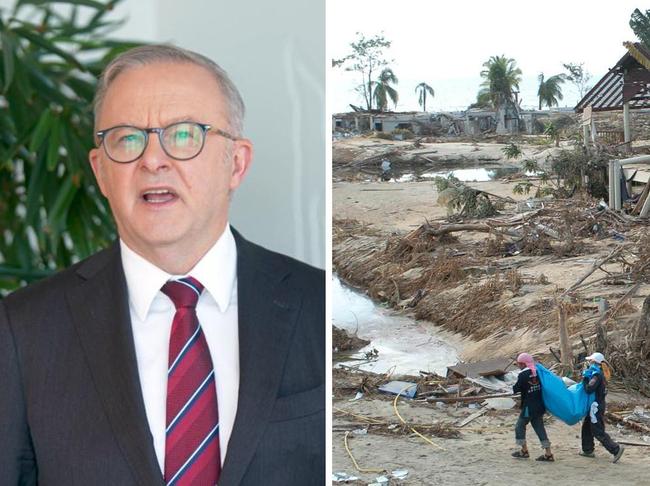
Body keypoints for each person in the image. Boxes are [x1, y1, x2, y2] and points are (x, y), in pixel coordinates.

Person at [0, 45, 324, 485]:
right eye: (127, 139)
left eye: (185, 134)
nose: (153, 160)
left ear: (237, 162)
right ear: (100, 171)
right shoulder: (23, 329)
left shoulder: (317, 304)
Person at [579, 352, 624, 463]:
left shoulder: (597, 375)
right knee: (586, 428)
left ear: (594, 362)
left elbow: (589, 389)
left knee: (597, 431)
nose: (589, 363)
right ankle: (588, 450)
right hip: (596, 405)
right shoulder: (600, 374)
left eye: (590, 361)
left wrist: (585, 379)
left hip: (596, 407)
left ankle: (616, 449)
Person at [511, 353, 554, 462]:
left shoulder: (523, 375)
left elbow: (516, 389)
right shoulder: (538, 372)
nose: (519, 366)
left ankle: (524, 451)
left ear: (523, 364)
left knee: (519, 426)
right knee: (539, 428)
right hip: (539, 406)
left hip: (528, 408)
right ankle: (548, 453)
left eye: (519, 364)